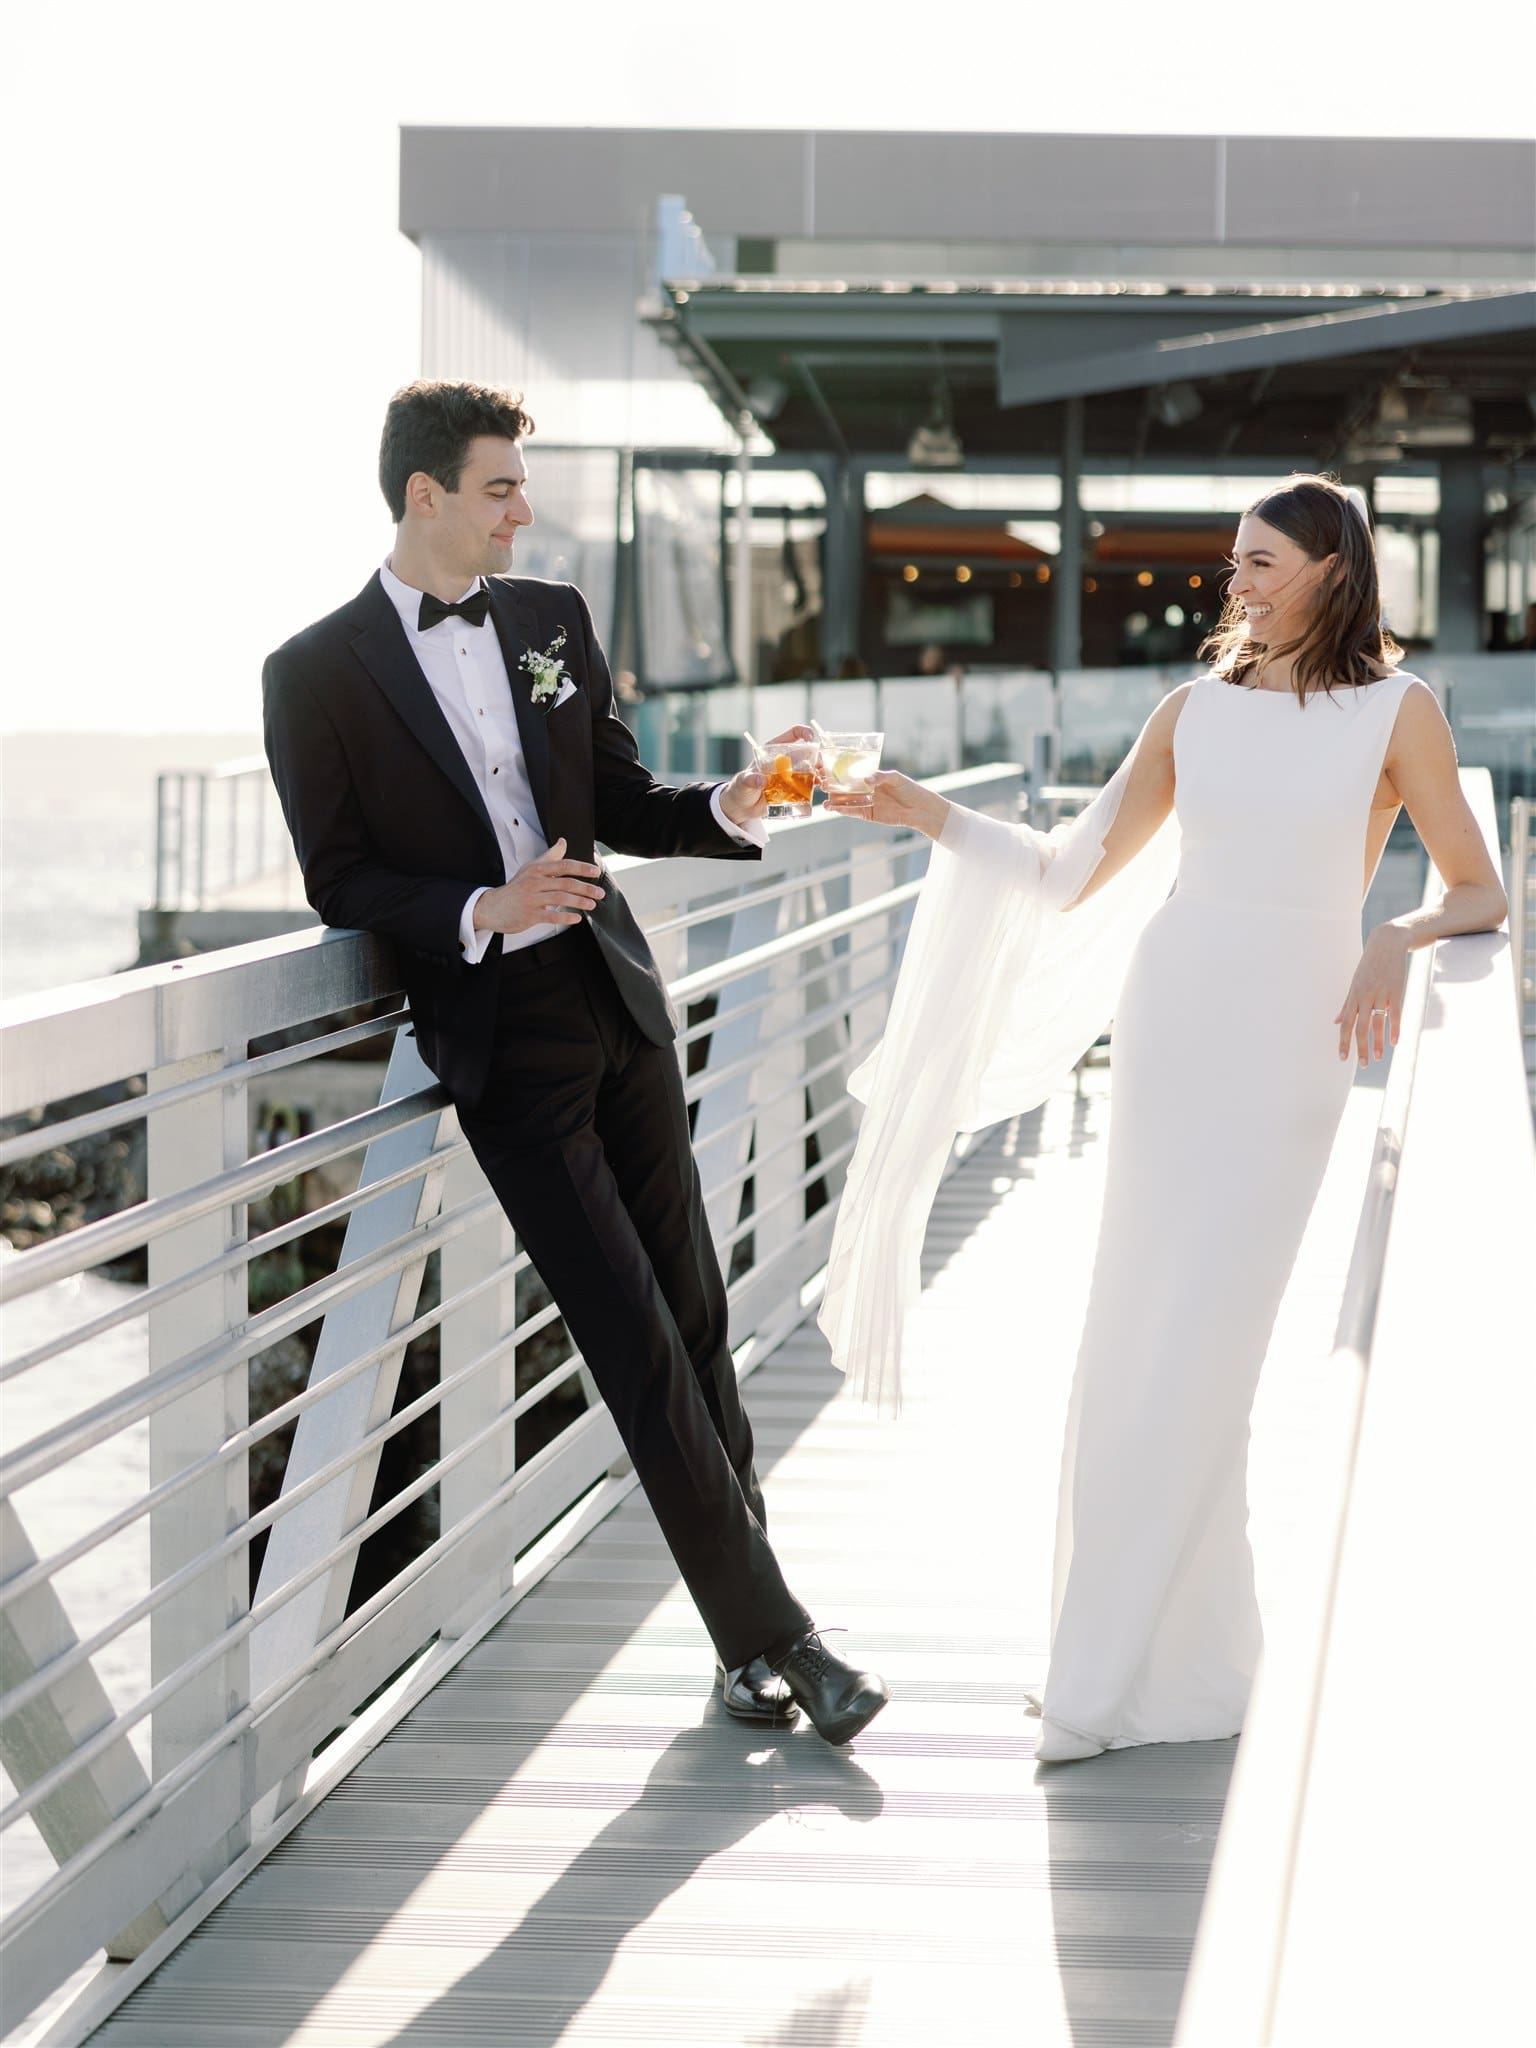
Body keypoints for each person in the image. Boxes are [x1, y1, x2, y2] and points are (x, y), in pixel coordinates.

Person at [820, 474, 1506, 1762]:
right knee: (1137, 1332)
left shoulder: (1398, 711)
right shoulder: (1192, 709)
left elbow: (1478, 888)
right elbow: (1066, 874)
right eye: (1232, 559)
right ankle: (1157, 1665)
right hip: (1177, 1021)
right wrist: (923, 811)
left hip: (1294, 1045)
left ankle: (1120, 1671)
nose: (1232, 580)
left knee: (1214, 1344)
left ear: (1329, 570)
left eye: (1257, 561)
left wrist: (1392, 942)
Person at [262, 379, 889, 1746]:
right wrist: (482, 912)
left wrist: (742, 798)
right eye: (500, 487)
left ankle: (742, 1653)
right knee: (635, 1348)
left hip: (619, 1008)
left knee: (699, 1325)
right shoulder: (310, 674)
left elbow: (623, 797)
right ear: (425, 495)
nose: (521, 511)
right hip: (504, 1044)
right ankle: (789, 1641)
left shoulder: (553, 620)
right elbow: (338, 875)